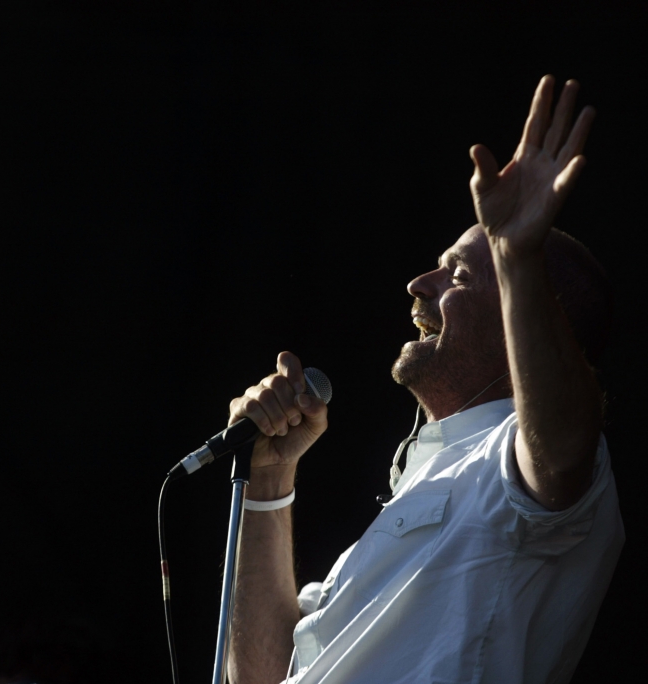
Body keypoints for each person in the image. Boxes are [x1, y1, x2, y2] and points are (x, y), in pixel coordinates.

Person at [225, 75, 624, 684]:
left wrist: (516, 256)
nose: (419, 286)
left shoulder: (534, 463)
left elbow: (564, 441)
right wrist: (268, 480)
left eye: (457, 275)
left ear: (531, 317)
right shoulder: (420, 485)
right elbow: (255, 675)